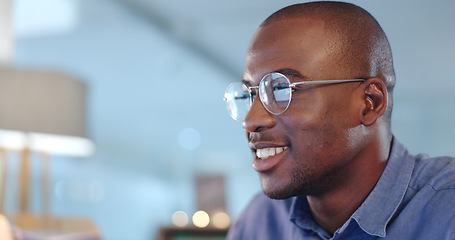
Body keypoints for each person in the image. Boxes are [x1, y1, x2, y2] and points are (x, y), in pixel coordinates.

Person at [223, 1, 455, 239]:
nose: (250, 121)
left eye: (282, 90)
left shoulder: (447, 212)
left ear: (370, 103)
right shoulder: (260, 222)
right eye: (251, 93)